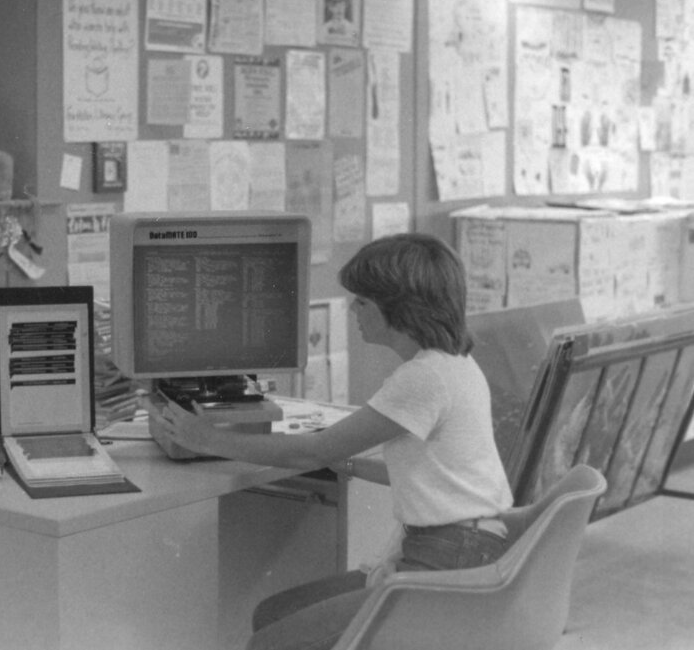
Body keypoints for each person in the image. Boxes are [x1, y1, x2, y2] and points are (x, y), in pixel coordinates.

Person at [151, 233, 514, 650]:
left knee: (272, 643)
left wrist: (208, 438)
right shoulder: (455, 364)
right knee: (270, 614)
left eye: (361, 302)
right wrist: (354, 464)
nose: (353, 311)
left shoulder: (422, 378)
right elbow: (445, 472)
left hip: (447, 557)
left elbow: (314, 449)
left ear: (394, 308)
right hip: (469, 544)